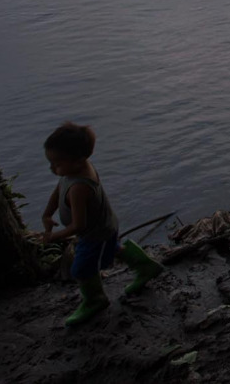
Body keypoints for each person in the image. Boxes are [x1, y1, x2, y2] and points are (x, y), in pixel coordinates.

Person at [41, 122, 165, 325]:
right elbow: (58, 190)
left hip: (95, 234)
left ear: (79, 160)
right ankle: (145, 266)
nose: (53, 169)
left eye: (57, 164)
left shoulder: (79, 187)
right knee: (112, 247)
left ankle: (95, 299)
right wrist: (47, 214)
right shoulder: (72, 171)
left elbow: (79, 225)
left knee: (81, 269)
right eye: (51, 163)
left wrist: (53, 237)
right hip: (105, 225)